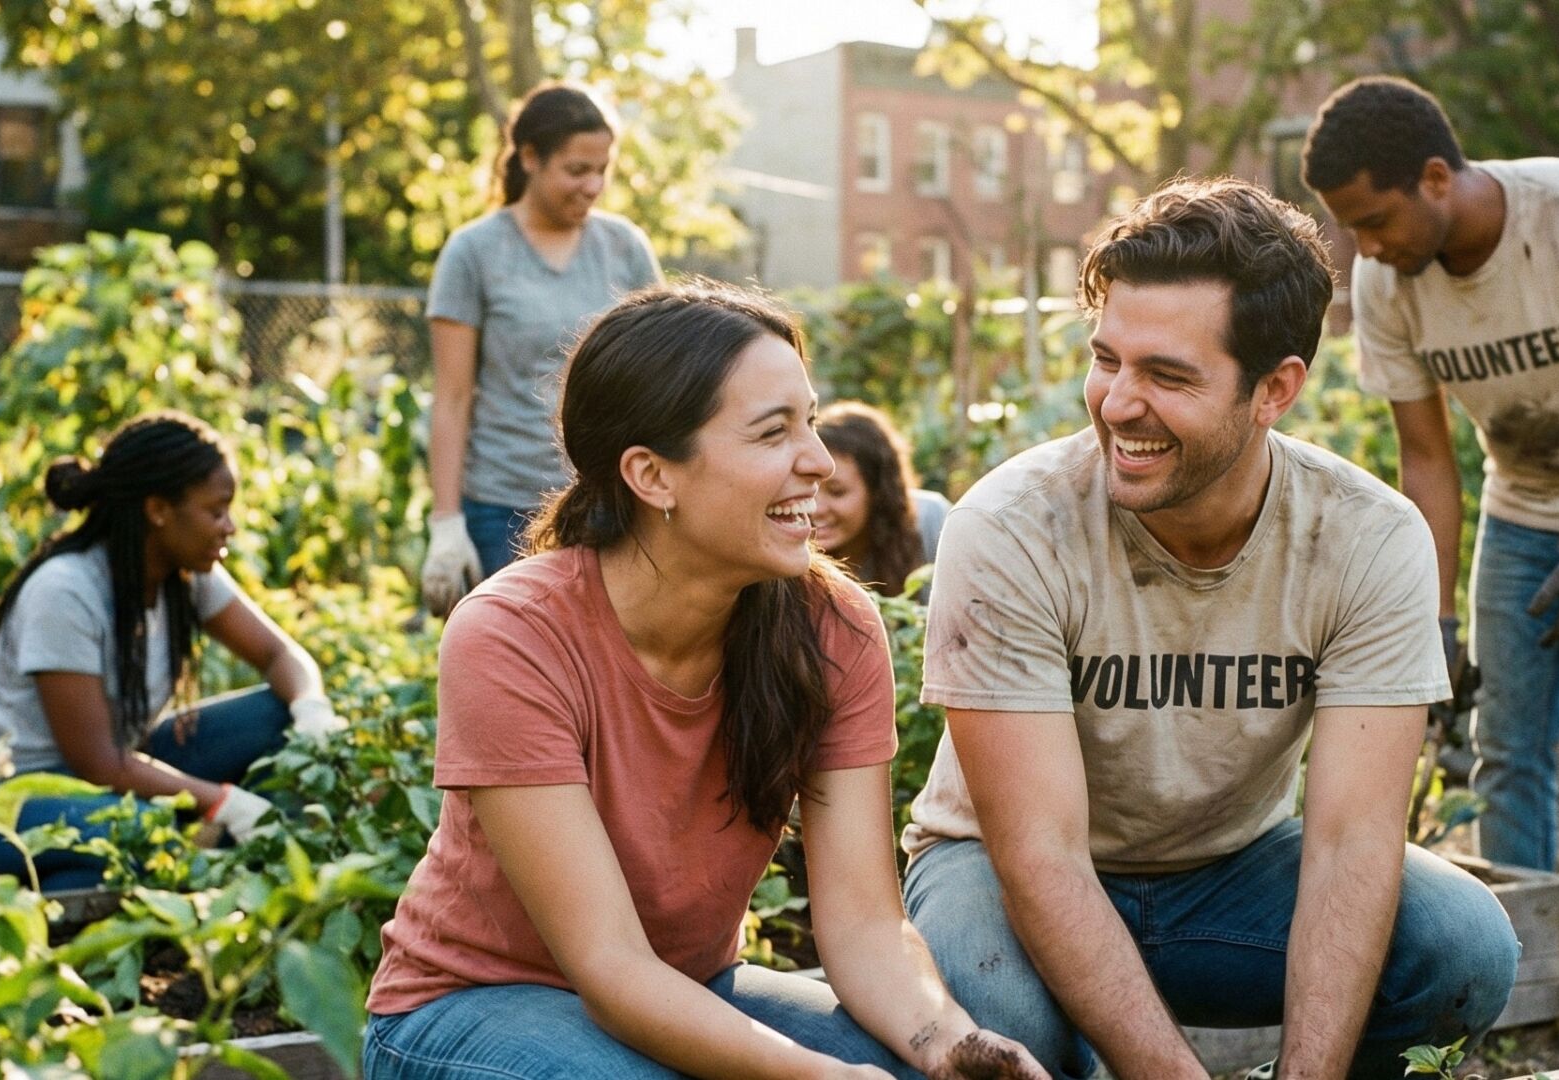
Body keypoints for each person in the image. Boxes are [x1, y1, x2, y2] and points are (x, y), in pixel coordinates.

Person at [899, 177, 1519, 1080]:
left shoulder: (1366, 538)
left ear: (1275, 389)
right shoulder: (1011, 526)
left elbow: (1350, 844)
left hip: (1232, 875)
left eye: (1167, 376)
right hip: (993, 870)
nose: (1116, 403)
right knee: (996, 1019)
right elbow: (1041, 859)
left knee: (1463, 949)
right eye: (1107, 359)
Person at [364, 282, 1048, 1080]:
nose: (819, 464)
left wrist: (946, 1042)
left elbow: (864, 924)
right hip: (467, 1009)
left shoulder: (834, 629)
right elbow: (611, 968)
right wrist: (824, 1078)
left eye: (812, 423)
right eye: (772, 434)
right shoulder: (514, 635)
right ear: (653, 476)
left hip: (690, 987)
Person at [1302, 76, 1559, 1055]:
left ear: (1438, 178)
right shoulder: (1387, 281)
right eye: (1350, 230)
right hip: (1525, 506)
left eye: (1374, 220)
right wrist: (1432, 621)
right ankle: (1522, 983)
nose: (1367, 248)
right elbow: (1428, 459)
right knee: (1506, 747)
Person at [0, 412, 343, 890]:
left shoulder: (188, 577)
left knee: (281, 716)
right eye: (216, 512)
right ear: (157, 510)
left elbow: (281, 657)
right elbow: (96, 763)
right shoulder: (65, 593)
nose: (229, 528)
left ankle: (219, 869)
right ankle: (41, 893)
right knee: (149, 836)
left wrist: (311, 709)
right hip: (12, 796)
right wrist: (222, 801)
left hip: (112, 770)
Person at [418, 81, 664, 616]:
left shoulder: (625, 249)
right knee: (518, 665)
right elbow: (453, 397)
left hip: (608, 499)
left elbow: (658, 378)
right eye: (577, 170)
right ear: (530, 158)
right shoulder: (474, 252)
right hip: (502, 505)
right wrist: (446, 522)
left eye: (603, 169)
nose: (593, 184)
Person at [814, 401, 951, 596]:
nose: (815, 509)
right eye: (809, 490)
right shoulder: (792, 556)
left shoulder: (931, 520)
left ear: (877, 491)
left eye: (837, 492)